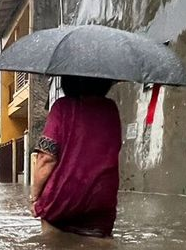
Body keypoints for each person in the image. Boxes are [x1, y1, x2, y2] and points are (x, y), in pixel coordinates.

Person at [29, 75, 123, 238]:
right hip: (101, 201)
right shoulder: (111, 109)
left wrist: (35, 198)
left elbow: (46, 158)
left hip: (62, 200)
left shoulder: (62, 107)